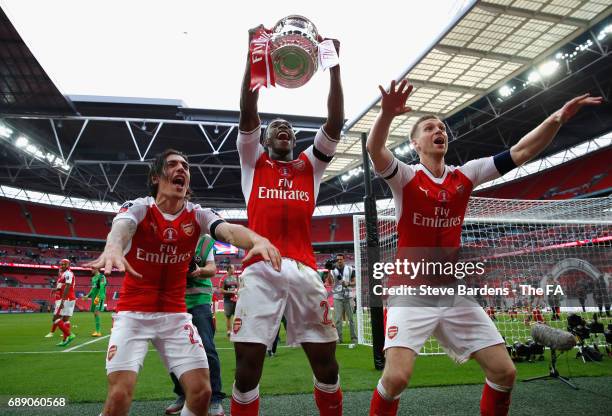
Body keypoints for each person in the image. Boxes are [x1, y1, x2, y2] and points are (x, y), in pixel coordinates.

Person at [366, 79, 602, 416]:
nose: (439, 131)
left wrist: (557, 118)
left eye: (442, 127)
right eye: (430, 127)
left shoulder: (466, 174)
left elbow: (520, 152)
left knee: (505, 372)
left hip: (451, 291)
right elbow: (376, 150)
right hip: (409, 291)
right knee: (397, 378)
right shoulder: (406, 177)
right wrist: (387, 113)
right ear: (415, 143)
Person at [87, 149, 280, 416]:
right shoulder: (139, 207)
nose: (182, 169)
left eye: (186, 166)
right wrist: (113, 247)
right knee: (119, 395)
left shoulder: (198, 214)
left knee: (202, 392)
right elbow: (122, 227)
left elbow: (227, 230)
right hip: (133, 315)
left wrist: (257, 240)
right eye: (173, 165)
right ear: (156, 177)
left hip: (176, 316)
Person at [230, 25, 344, 416]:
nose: (282, 130)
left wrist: (334, 67)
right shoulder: (252, 162)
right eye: (274, 128)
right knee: (247, 372)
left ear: (295, 140)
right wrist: (254, 55)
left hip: (306, 271)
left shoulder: (309, 167)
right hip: (259, 270)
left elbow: (335, 122)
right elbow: (248, 107)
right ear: (262, 139)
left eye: (288, 129)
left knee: (327, 367)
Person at [166, 234, 226, 416]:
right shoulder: (169, 237)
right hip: (175, 299)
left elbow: (212, 269)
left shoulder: (205, 240)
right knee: (174, 350)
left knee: (207, 347)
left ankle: (215, 398)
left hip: (200, 299)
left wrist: (199, 271)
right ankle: (183, 393)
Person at [326, 253, 357, 345]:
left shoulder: (350, 269)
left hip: (349, 296)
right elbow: (330, 282)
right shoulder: (333, 270)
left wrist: (348, 283)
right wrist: (328, 270)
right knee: (338, 320)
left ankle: (354, 338)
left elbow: (354, 282)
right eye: (337, 259)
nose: (339, 261)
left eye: (341, 259)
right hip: (337, 297)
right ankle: (339, 338)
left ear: (344, 260)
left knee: (351, 319)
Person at [46, 259, 77, 346]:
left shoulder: (68, 273)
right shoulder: (64, 274)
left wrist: (63, 300)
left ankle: (70, 335)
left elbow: (68, 286)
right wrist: (55, 289)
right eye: (61, 264)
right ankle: (64, 341)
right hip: (70, 299)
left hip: (66, 299)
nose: (62, 266)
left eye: (64, 264)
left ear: (68, 265)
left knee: (55, 319)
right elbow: (62, 287)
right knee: (65, 320)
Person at [84, 266, 107, 336]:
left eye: (93, 268)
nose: (91, 270)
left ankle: (98, 331)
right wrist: (87, 295)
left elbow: (102, 286)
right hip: (94, 298)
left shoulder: (102, 277)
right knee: (95, 313)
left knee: (96, 312)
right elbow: (93, 289)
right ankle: (97, 331)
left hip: (99, 297)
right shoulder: (93, 278)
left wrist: (99, 296)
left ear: (97, 268)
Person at [219, 264, 239, 338]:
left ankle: (236, 331)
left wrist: (237, 291)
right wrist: (231, 292)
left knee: (237, 316)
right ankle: (229, 331)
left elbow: (238, 287)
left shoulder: (235, 277)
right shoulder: (223, 278)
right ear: (229, 269)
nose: (234, 270)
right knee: (228, 316)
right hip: (227, 300)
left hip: (236, 300)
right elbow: (221, 290)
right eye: (233, 268)